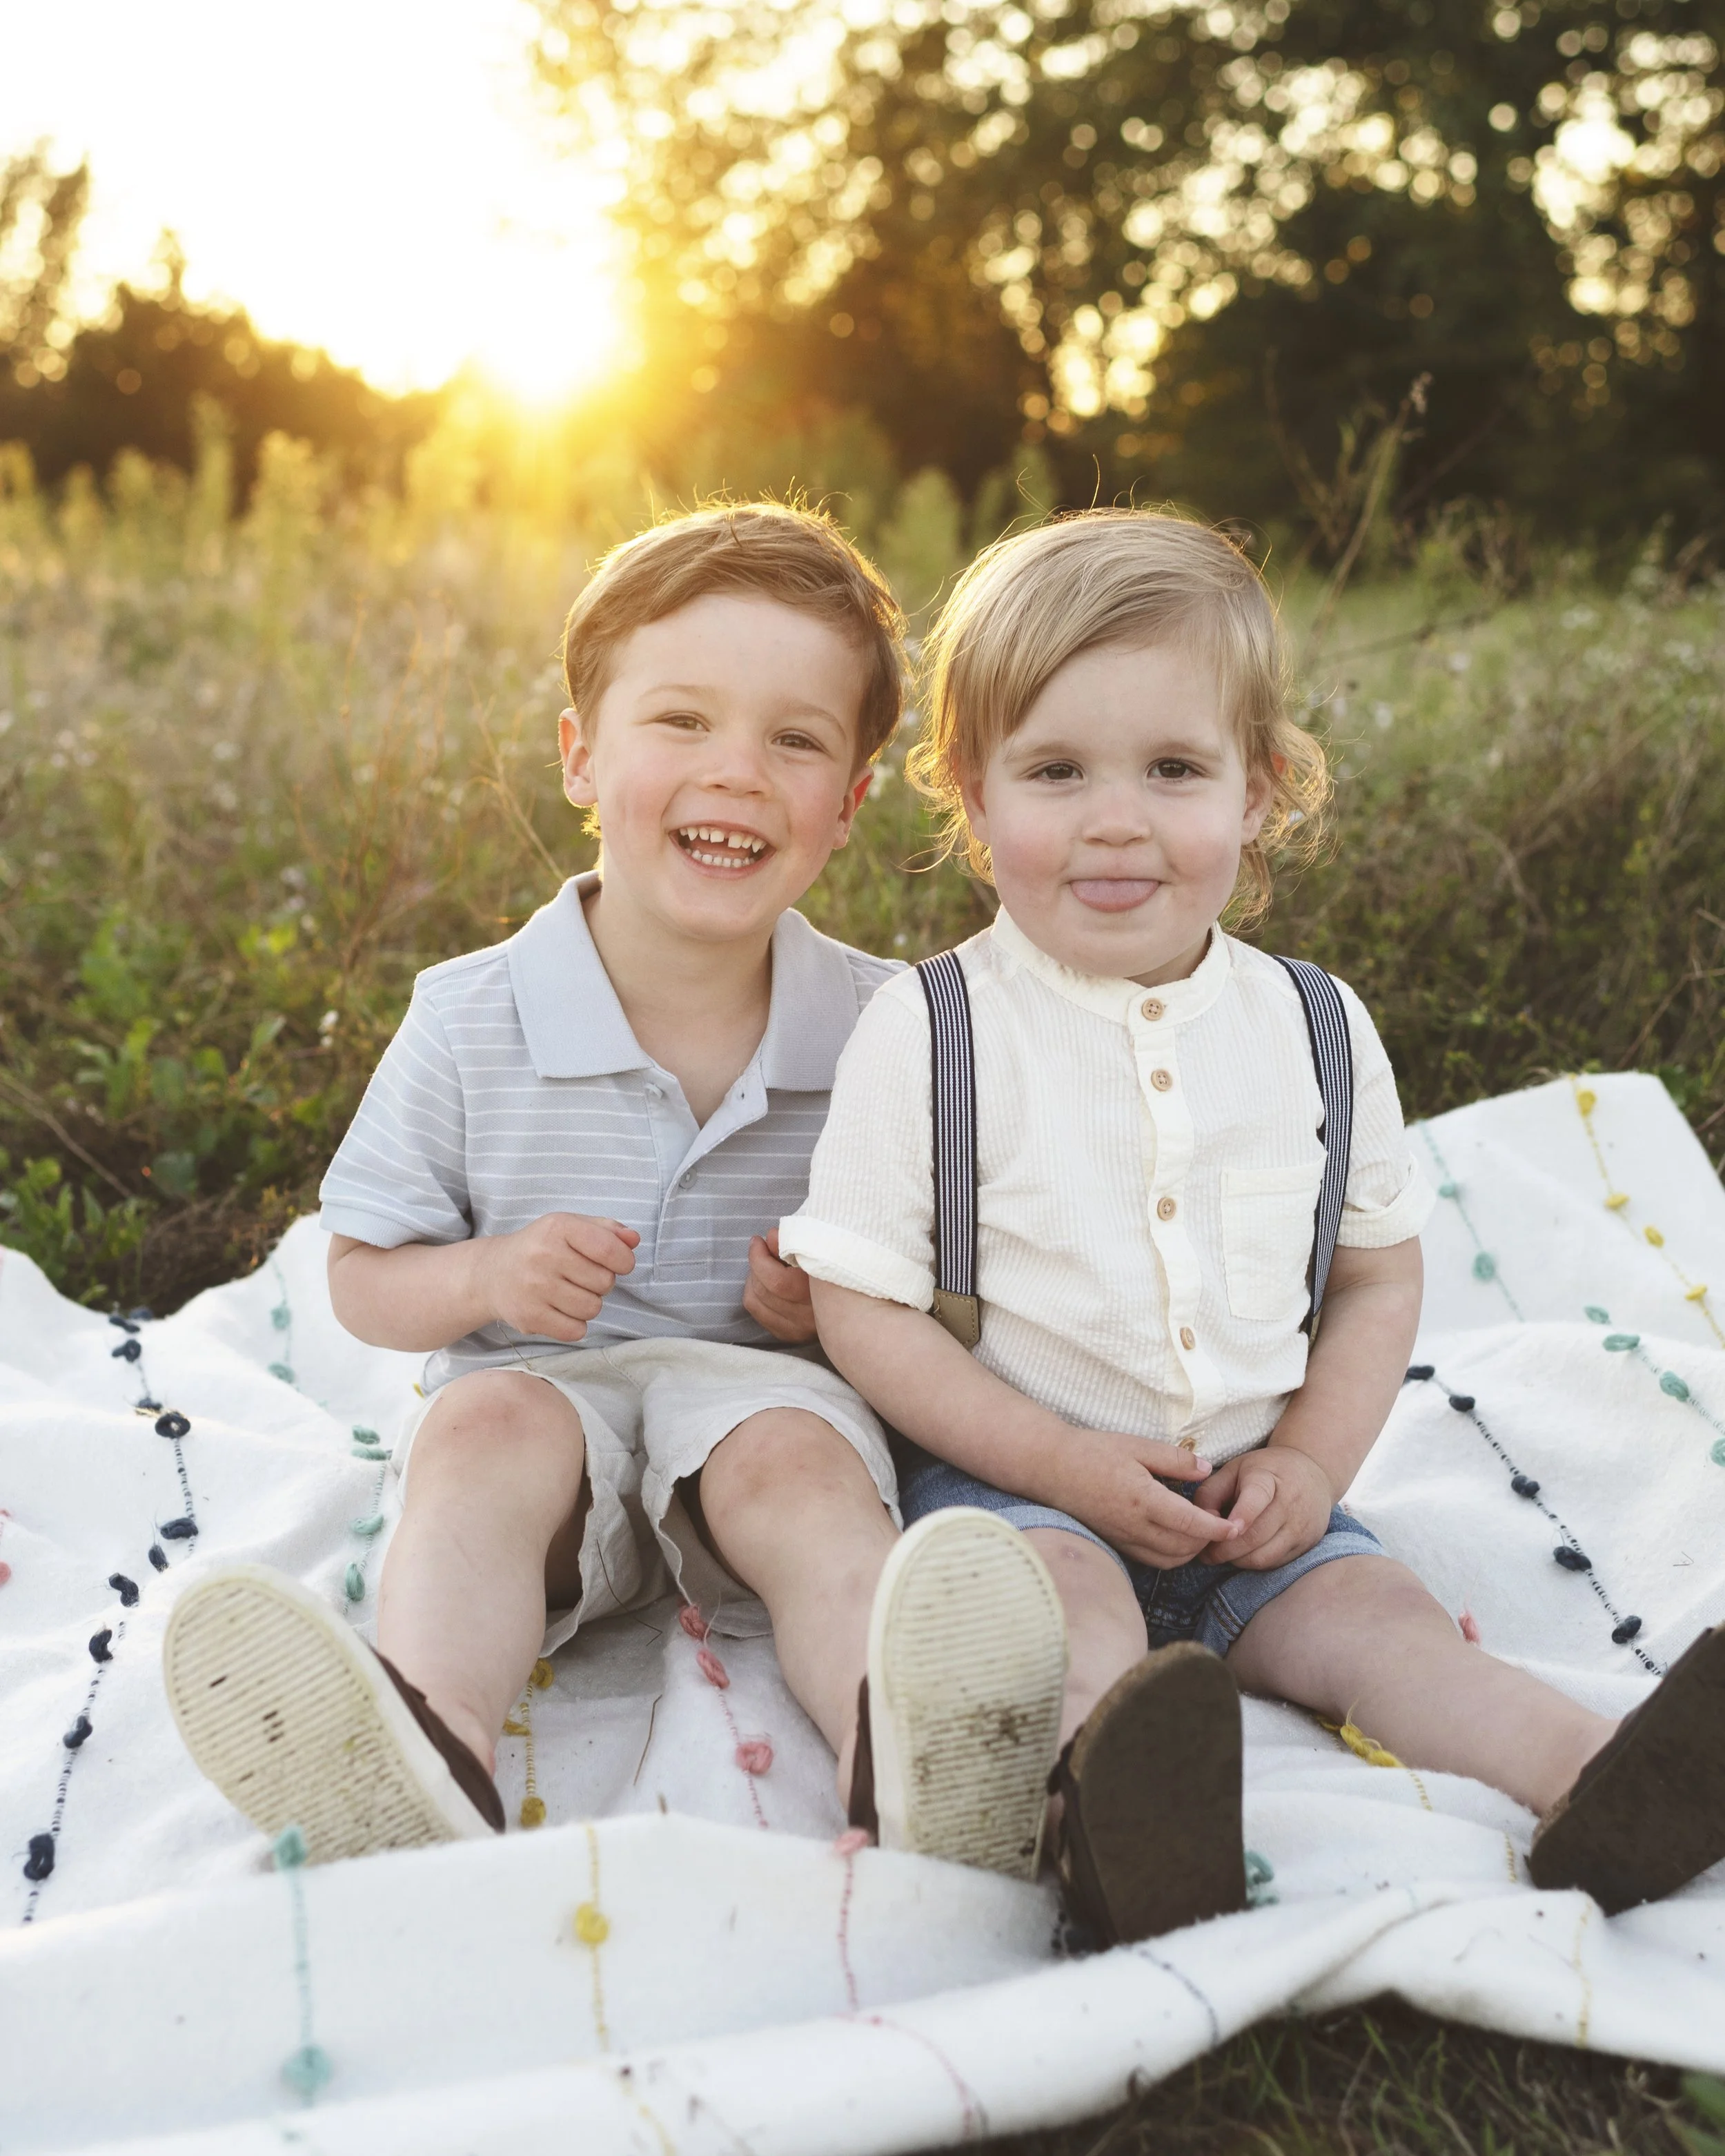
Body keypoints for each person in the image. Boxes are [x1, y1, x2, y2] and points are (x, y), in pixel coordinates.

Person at [779, 509, 1725, 1943]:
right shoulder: (930, 1029)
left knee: (1388, 1631)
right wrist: (1062, 1463)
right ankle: (1120, 1821)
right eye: (1053, 770)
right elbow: (859, 1306)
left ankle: (1603, 1783)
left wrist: (1307, 1458)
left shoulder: (1313, 1024)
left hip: (1254, 1508)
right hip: (1021, 1485)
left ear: (1261, 788)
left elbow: (1371, 1277)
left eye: (1170, 769)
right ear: (970, 797)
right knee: (1068, 1623)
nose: (1115, 817)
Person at [164, 502, 1046, 1867]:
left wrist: (837, 1301)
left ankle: (917, 1762)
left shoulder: (887, 1028)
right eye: (681, 721)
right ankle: (424, 1756)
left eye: (794, 739)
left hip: (764, 1392)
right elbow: (360, 1272)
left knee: (800, 1476)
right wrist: (485, 1277)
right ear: (580, 757)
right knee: (474, 1443)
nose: (737, 772)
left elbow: (960, 1294)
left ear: (849, 803)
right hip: (544, 1391)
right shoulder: (470, 1016)